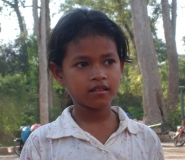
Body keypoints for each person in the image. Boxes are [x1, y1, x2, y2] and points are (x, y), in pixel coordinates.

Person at [20, 8, 164, 160]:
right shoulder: (41, 145)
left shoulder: (145, 139)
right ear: (59, 73)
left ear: (120, 68)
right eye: (83, 64)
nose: (99, 74)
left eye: (108, 62)